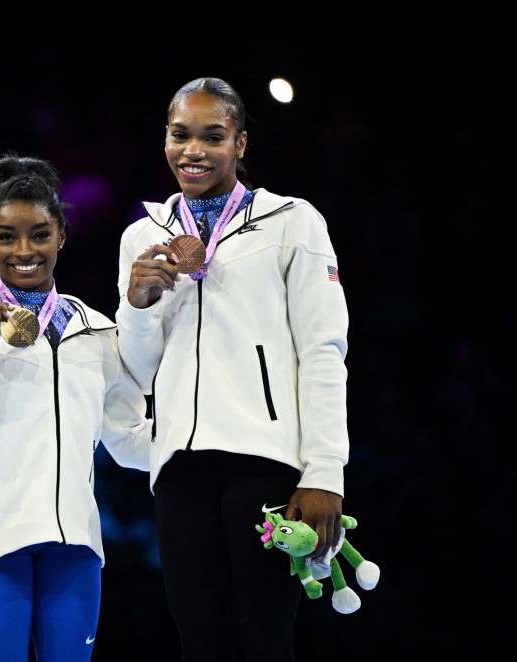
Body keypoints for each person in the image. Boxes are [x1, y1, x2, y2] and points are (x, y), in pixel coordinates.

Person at [116, 77, 350, 661]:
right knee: (201, 644)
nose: (193, 150)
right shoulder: (143, 236)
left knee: (267, 640)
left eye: (212, 136)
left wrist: (324, 473)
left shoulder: (294, 223)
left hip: (264, 462)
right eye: (180, 135)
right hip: (178, 471)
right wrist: (137, 307)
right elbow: (137, 369)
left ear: (240, 143)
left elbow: (323, 351)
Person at [0, 155, 150, 662]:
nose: (25, 251)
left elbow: (130, 441)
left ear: (61, 235)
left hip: (76, 549)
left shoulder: (98, 330)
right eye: (7, 237)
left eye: (40, 235)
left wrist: (203, 436)